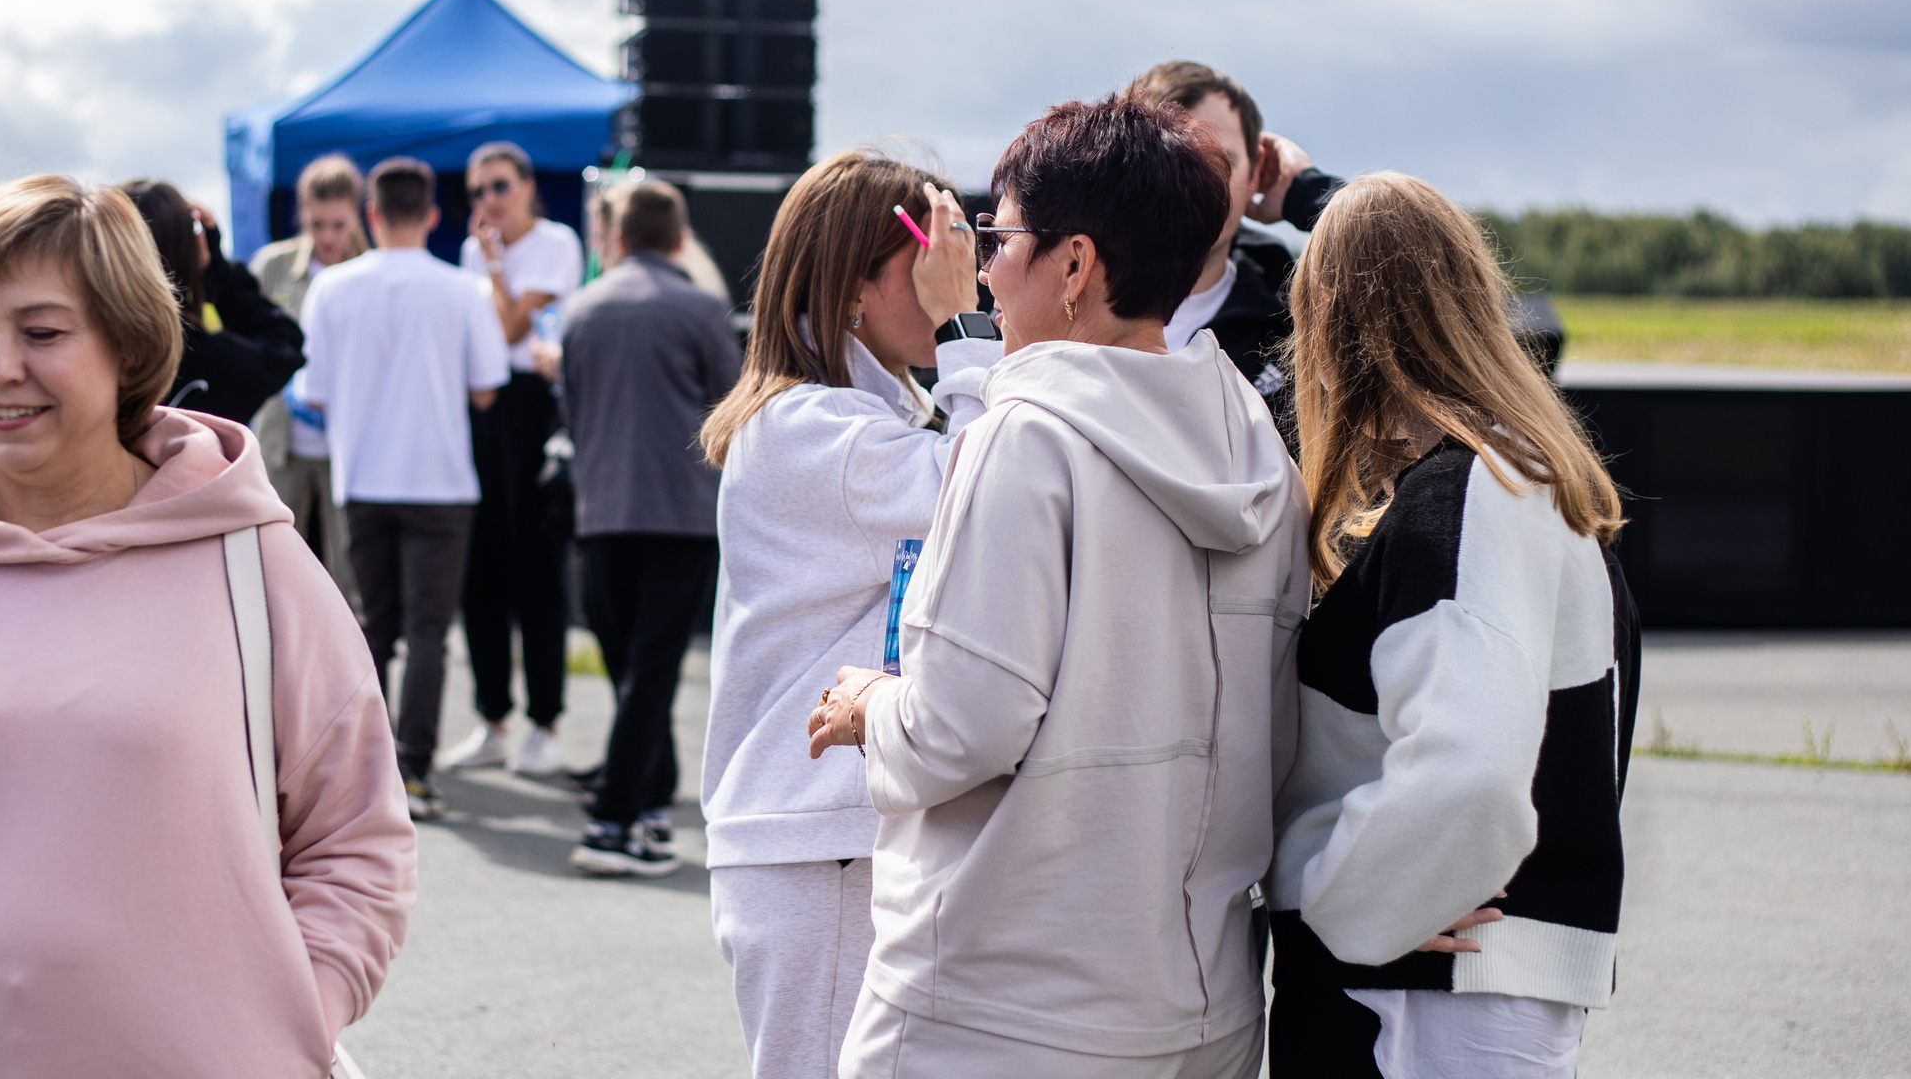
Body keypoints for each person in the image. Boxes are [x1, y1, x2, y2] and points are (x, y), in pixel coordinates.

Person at [0, 175, 414, 1079]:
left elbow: (355, 840)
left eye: (43, 332)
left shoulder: (253, 566)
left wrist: (285, 1018)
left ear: (131, 347)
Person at [808, 96, 1306, 1077]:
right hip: (1199, 1000)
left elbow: (963, 724)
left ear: (1073, 265)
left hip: (998, 1004)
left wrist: (873, 705)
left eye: (997, 236)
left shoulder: (1023, 434)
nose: (981, 268)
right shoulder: (1252, 436)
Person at [1266, 172, 1639, 1079]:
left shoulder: (1471, 493)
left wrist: (1354, 901)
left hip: (1425, 997)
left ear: (1334, 323)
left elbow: (1470, 779)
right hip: (1456, 992)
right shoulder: (1511, 479)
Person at [697, 150, 999, 1076]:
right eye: (937, 256)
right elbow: (998, 480)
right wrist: (967, 325)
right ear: (855, 286)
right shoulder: (809, 431)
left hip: (826, 833)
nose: (969, 268)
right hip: (814, 838)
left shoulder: (865, 417)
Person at [301, 156, 510, 820]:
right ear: (432, 216)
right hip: (441, 481)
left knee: (371, 629)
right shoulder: (461, 291)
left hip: (362, 478)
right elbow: (486, 389)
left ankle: (368, 774)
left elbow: (317, 395)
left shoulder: (331, 289)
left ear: (371, 215)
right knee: (426, 632)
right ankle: (414, 769)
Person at [556, 181, 741, 877]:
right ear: (678, 239)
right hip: (680, 514)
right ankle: (613, 821)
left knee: (632, 673)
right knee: (651, 673)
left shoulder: (580, 309)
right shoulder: (699, 309)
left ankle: (650, 806)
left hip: (600, 510)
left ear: (621, 235)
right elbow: (732, 410)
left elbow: (570, 412)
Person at [447, 140, 586, 779]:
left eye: (499, 187)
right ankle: (492, 716)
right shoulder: (473, 250)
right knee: (480, 565)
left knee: (535, 566)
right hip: (479, 407)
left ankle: (545, 722)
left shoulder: (554, 243)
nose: (488, 202)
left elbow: (507, 329)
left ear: (528, 186)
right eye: (477, 192)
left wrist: (498, 267)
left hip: (531, 407)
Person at [1128, 61, 1343, 401]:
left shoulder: (1293, 315)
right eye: (1170, 160)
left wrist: (1308, 192)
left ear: (1256, 171)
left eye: (1219, 162)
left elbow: (1427, 278)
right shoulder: (1052, 288)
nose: (1195, 185)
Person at [251, 154, 370, 600]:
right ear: (302, 213)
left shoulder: (372, 272)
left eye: (338, 225)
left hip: (348, 448)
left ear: (356, 213)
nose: (327, 237)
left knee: (350, 577)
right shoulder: (272, 267)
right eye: (317, 224)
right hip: (283, 443)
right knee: (276, 569)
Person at [120, 179, 304, 424]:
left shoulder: (93, 349)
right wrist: (217, 270)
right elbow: (285, 344)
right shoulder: (206, 357)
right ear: (191, 250)